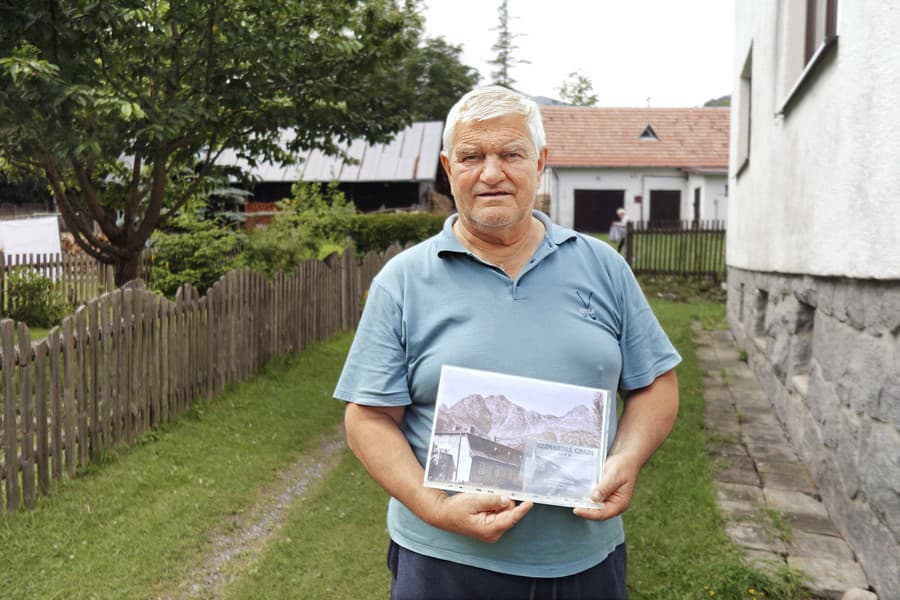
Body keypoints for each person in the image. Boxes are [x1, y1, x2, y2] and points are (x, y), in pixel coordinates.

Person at [334, 86, 680, 600]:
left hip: (585, 561)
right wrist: (435, 507)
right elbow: (367, 418)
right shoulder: (403, 280)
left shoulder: (603, 267)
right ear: (450, 171)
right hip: (445, 564)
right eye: (472, 157)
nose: (492, 173)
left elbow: (656, 384)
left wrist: (627, 458)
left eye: (510, 154)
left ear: (539, 162)